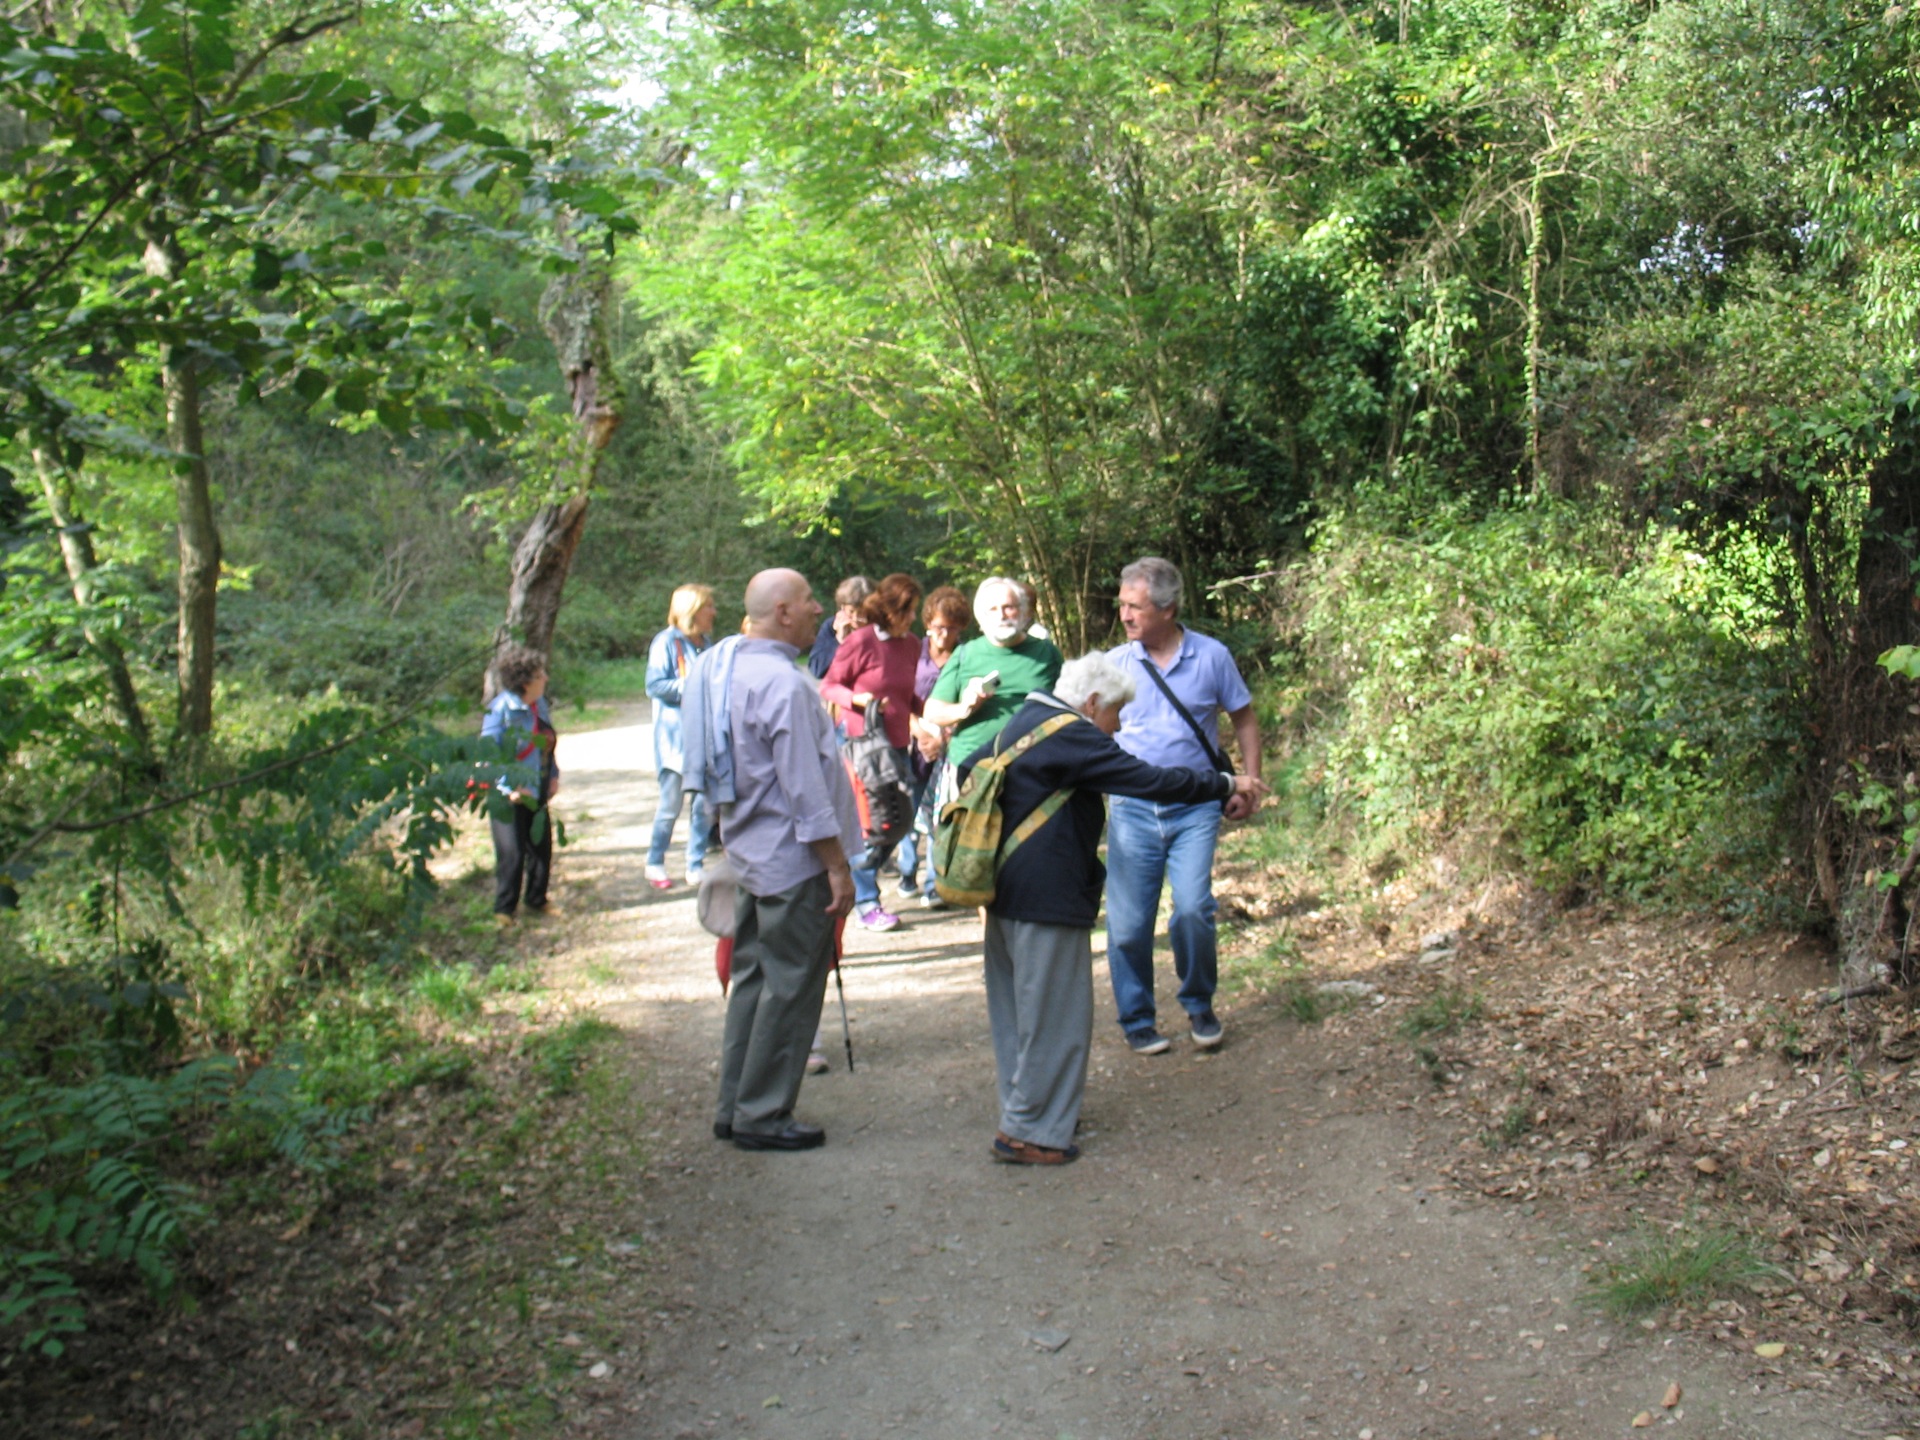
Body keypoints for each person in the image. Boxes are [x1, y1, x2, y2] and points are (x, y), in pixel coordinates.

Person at [971, 653, 1266, 1164]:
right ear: (1091, 704)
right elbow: (1149, 780)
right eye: (1116, 714)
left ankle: (1025, 1113)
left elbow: (963, 765)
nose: (1119, 727)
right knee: (1055, 1017)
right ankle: (1031, 1134)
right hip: (1049, 895)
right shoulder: (1073, 734)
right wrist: (1224, 783)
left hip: (1004, 890)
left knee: (1016, 1016)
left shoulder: (1024, 721)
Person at [708, 568, 862, 1152]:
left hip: (752, 853)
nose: (819, 608)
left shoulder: (726, 670)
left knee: (753, 978)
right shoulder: (784, 685)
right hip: (792, 862)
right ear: (783, 612)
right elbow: (805, 787)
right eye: (808, 600)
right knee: (791, 985)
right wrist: (837, 866)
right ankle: (763, 1113)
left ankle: (735, 1105)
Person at [1103, 556, 1263, 1055]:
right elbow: (1095, 733)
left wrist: (1250, 783)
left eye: (1136, 606)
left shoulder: (1212, 656)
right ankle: (1137, 1018)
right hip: (1132, 807)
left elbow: (1244, 718)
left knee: (1193, 909)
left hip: (1196, 805)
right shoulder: (1115, 663)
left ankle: (1199, 1004)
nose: (1125, 615)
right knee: (1129, 924)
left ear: (1168, 609)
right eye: (1122, 605)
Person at [820, 573, 925, 932]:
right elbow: (829, 686)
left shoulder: (912, 644)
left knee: (901, 822)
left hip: (896, 744)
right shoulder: (861, 642)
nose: (913, 617)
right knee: (875, 824)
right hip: (861, 744)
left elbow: (906, 695)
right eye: (907, 610)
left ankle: (851, 877)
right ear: (889, 610)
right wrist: (857, 699)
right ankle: (866, 902)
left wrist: (933, 715)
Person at [922, 577, 1063, 771]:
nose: (1001, 615)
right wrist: (965, 707)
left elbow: (1070, 706)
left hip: (1034, 764)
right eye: (993, 609)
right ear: (982, 617)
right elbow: (932, 712)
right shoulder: (965, 654)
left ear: (1023, 611)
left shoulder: (1047, 652)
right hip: (973, 768)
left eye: (1008, 607)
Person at [895, 584, 970, 908]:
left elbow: (970, 702)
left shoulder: (967, 656)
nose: (945, 634)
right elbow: (899, 697)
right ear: (928, 623)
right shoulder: (913, 651)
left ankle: (933, 884)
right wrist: (918, 732)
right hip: (912, 741)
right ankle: (907, 870)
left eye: (952, 628)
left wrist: (943, 739)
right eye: (939, 626)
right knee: (908, 810)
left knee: (939, 814)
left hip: (949, 744)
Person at [645, 583, 717, 890]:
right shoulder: (666, 642)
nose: (714, 611)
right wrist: (692, 685)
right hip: (675, 741)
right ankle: (655, 862)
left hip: (705, 738)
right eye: (708, 606)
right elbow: (654, 685)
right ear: (692, 610)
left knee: (703, 806)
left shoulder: (706, 643)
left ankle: (695, 864)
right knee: (670, 806)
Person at [481, 644, 560, 926]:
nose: (545, 678)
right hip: (507, 796)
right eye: (540, 675)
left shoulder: (539, 705)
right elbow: (487, 756)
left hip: (536, 786)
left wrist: (553, 775)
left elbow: (547, 742)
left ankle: (537, 900)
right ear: (525, 682)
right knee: (511, 853)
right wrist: (509, 788)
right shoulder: (500, 710)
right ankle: (504, 909)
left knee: (541, 848)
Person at [807, 574, 873, 681]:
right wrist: (839, 641)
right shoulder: (832, 627)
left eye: (863, 612)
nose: (856, 618)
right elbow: (817, 669)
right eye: (851, 612)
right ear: (843, 608)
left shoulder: (882, 627)